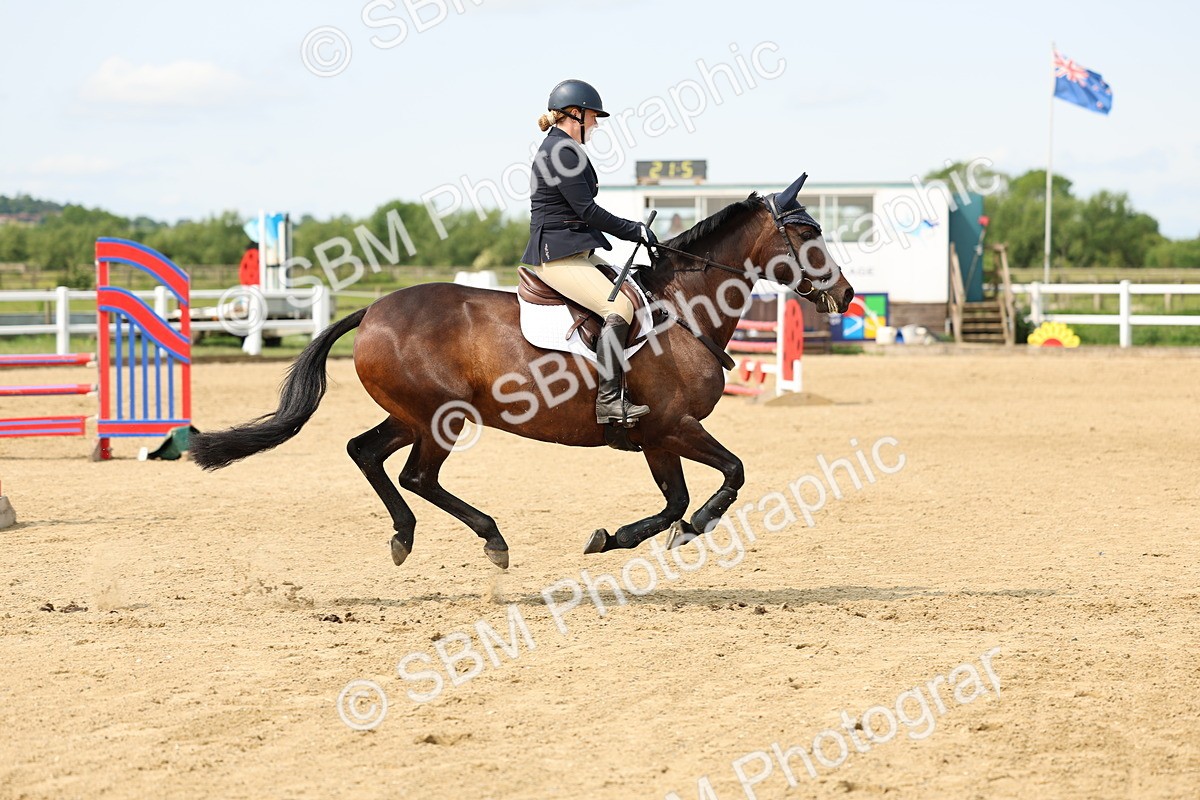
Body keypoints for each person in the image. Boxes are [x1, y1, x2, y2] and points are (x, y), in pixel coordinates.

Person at [521, 79, 657, 426]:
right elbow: (587, 211)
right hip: (558, 255)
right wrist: (635, 230)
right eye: (593, 117)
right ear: (574, 114)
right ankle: (609, 402)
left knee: (635, 290)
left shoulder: (562, 147)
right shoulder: (560, 151)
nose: (595, 124)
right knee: (619, 306)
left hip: (574, 249)